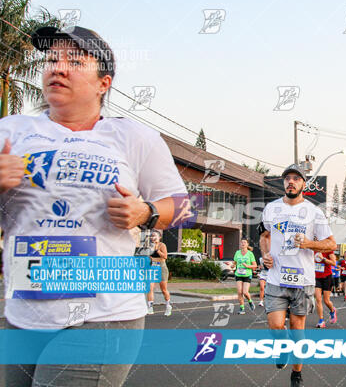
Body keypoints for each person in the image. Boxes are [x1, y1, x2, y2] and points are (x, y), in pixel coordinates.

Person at [0, 26, 187, 387]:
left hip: (105, 313)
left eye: (75, 61)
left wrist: (144, 212)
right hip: (23, 314)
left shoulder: (134, 138)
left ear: (104, 82)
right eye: (52, 59)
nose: (58, 68)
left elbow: (180, 208)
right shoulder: (11, 131)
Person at [259, 164, 336, 387]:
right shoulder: (271, 208)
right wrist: (265, 255)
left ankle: (296, 374)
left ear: (303, 184)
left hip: (302, 281)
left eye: (295, 179)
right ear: (283, 183)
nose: (290, 182)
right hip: (275, 277)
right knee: (275, 326)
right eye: (287, 179)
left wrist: (310, 243)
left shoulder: (314, 212)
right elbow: (264, 236)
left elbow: (331, 243)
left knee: (297, 330)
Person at [146, 230, 172, 316]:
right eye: (152, 236)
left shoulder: (162, 245)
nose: (153, 237)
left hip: (162, 267)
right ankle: (150, 307)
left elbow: (165, 256)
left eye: (155, 236)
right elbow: (148, 257)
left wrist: (157, 250)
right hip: (152, 267)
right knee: (150, 287)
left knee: (163, 289)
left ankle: (168, 306)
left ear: (159, 237)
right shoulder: (149, 246)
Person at [232, 238, 257, 314]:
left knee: (245, 292)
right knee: (239, 292)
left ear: (247, 244)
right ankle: (242, 308)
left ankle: (250, 301)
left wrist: (247, 266)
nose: (243, 243)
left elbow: (255, 265)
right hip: (238, 274)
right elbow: (234, 263)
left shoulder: (250, 254)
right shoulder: (237, 253)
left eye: (244, 242)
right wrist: (231, 265)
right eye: (241, 242)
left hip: (247, 274)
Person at [314, 251, 338, 328]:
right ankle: (321, 320)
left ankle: (332, 311)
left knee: (326, 300)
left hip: (327, 277)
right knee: (318, 299)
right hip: (317, 277)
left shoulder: (328, 250)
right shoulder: (312, 250)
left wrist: (323, 258)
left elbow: (333, 263)